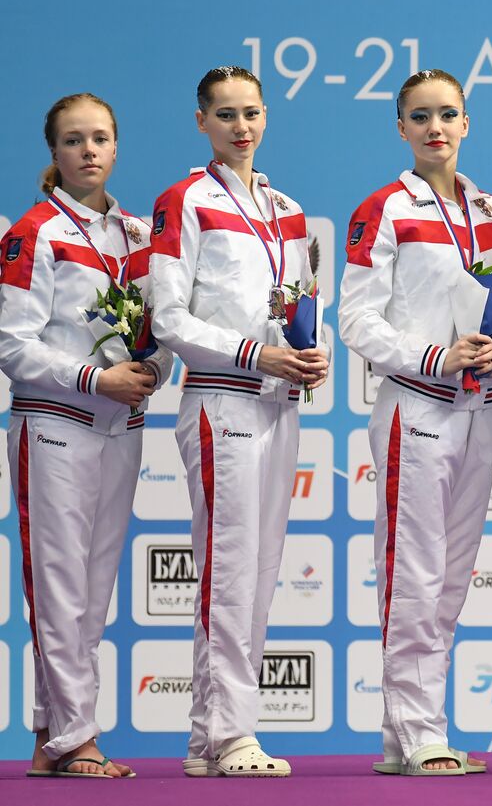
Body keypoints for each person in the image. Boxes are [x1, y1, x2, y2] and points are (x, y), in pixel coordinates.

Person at [340, 69, 492, 776]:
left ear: (467, 122)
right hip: (415, 406)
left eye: (448, 114)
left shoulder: (491, 211)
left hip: (481, 406)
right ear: (401, 128)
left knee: (450, 574)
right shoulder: (384, 209)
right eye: (420, 117)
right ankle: (418, 727)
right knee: (413, 571)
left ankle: (408, 731)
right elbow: (356, 319)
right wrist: (433, 356)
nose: (436, 128)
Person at [149, 65, 328, 778]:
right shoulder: (184, 200)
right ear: (201, 122)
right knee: (229, 569)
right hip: (221, 398)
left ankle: (205, 736)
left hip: (277, 402)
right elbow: (168, 318)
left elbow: (294, 302)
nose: (241, 127)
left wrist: (305, 355)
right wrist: (260, 354)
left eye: (251, 113)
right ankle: (232, 732)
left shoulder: (285, 208)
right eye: (225, 115)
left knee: (257, 572)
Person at [0, 92, 172, 779]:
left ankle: (51, 732)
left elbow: (161, 331)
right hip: (55, 426)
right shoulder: (34, 232)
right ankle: (77, 738)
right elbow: (11, 344)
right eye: (74, 140)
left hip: (121, 428)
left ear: (117, 145)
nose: (89, 150)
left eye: (100, 137)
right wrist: (94, 379)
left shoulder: (137, 235)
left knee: (93, 588)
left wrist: (150, 370)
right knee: (61, 585)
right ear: (54, 153)